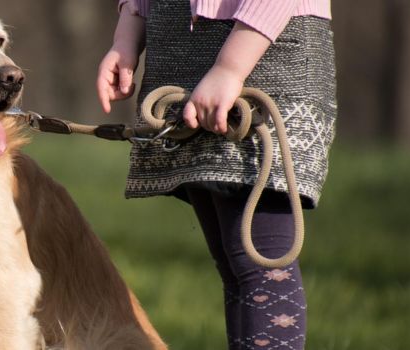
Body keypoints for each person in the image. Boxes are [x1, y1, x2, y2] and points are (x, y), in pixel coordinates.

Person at [97, 0, 335, 349]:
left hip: (263, 51)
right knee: (236, 267)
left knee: (260, 266)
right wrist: (126, 38)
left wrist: (230, 68)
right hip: (181, 52)